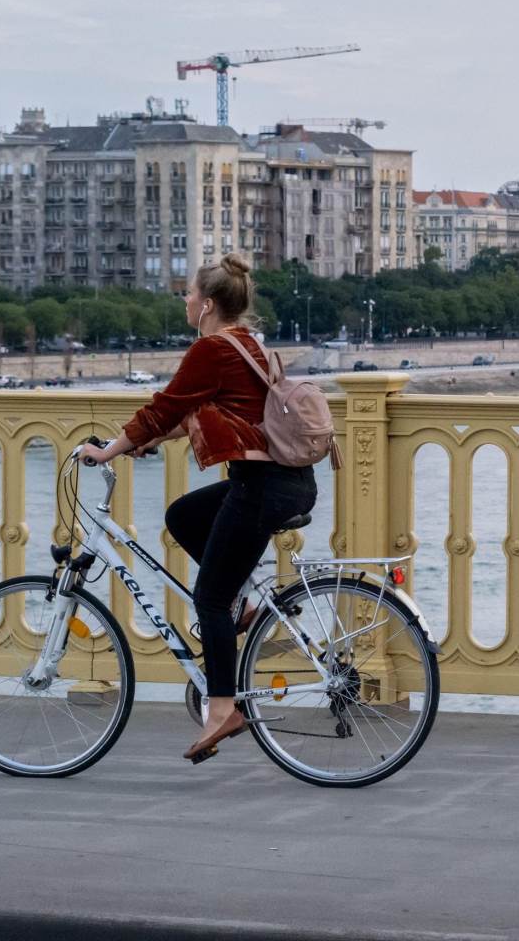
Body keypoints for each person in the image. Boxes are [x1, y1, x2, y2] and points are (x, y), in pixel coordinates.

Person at [78, 253, 318, 763]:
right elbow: (199, 413)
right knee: (183, 516)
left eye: (188, 293)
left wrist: (108, 450)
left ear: (206, 304)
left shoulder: (212, 349)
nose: (184, 300)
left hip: (261, 488)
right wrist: (147, 442)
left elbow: (165, 405)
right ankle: (244, 604)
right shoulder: (250, 345)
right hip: (287, 481)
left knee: (208, 598)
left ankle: (223, 709)